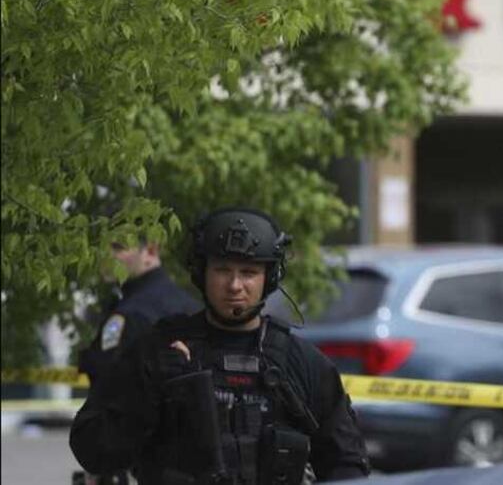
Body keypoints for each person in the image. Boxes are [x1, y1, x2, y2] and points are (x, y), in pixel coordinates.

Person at [70, 207, 371, 484]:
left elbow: (347, 464)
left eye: (248, 272)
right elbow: (92, 449)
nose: (235, 285)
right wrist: (148, 392)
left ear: (268, 278)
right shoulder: (158, 351)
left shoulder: (300, 363)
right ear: (203, 272)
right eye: (223, 270)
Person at [77, 240, 200, 385]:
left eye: (118, 247)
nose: (106, 255)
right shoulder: (193, 307)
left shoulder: (129, 313)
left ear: (150, 251)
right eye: (102, 247)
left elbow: (107, 381)